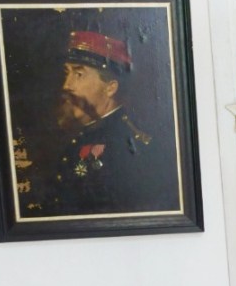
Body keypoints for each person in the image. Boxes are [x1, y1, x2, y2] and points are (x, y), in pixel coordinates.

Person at [30, 30, 166, 216]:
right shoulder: (81, 136)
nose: (66, 85)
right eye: (66, 73)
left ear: (110, 88)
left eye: (78, 75)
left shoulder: (132, 145)